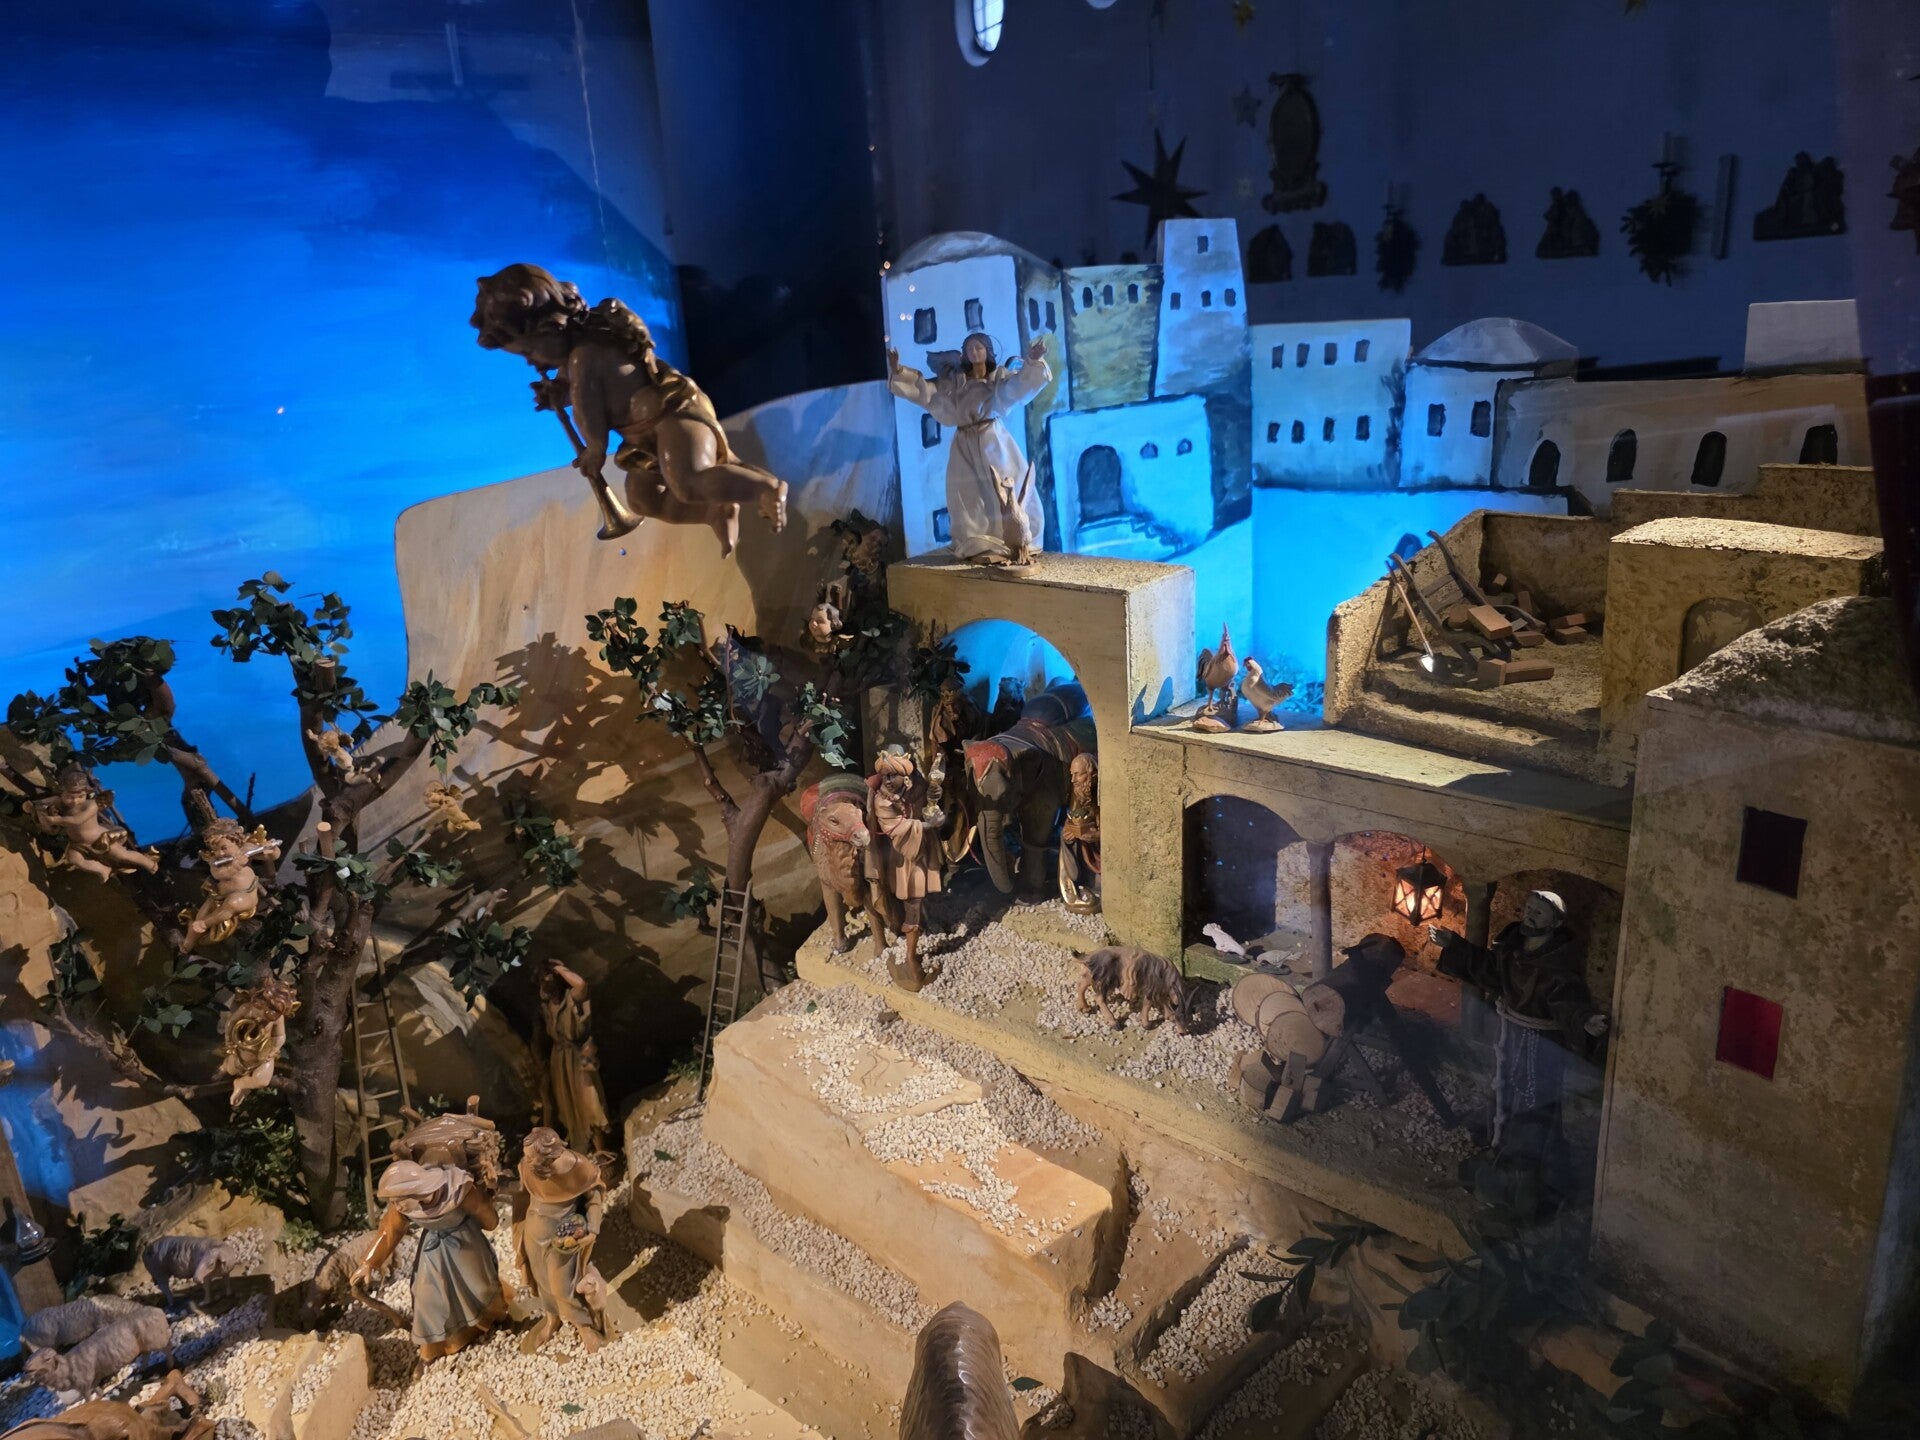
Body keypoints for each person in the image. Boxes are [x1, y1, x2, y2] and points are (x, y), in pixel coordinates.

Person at [472, 264, 787, 557]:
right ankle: (714, 510)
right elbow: (585, 390)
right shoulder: (580, 353)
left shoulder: (584, 357)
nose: (531, 362)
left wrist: (595, 449)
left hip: (670, 417)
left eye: (528, 350)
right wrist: (557, 393)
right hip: (644, 437)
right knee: (642, 498)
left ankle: (767, 489)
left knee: (688, 482)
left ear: (551, 328)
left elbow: (587, 409)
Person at [1430, 890, 1606, 1189]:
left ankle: (1528, 1168)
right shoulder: (1513, 947)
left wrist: (1585, 1020)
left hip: (1540, 1043)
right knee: (1504, 1087)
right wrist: (1454, 945)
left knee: (1534, 1098)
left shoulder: (1558, 964)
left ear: (1555, 923)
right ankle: (1501, 1149)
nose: (1529, 915)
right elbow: (1490, 969)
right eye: (1528, 908)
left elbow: (1568, 1001)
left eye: (1538, 913)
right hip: (1510, 1032)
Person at [887, 333, 1050, 565]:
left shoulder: (997, 379)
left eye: (979, 348)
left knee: (1004, 488)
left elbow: (1018, 386)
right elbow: (928, 392)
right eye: (970, 349)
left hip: (993, 440)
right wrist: (898, 370)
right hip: (964, 444)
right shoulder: (956, 383)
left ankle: (1015, 539)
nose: (974, 352)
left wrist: (1033, 360)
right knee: (968, 495)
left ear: (988, 351)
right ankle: (978, 542)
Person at [354, 1159, 507, 1364]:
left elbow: (485, 1214)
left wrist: (490, 1218)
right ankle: (434, 1347)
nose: (396, 1206)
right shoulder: (403, 1206)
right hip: (433, 1250)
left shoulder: (458, 1189)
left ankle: (493, 1318)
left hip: (466, 1244)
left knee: (480, 1287)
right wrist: (369, 1263)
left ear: (414, 1190)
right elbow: (389, 1231)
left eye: (398, 1200)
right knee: (425, 1295)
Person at [513, 1128, 609, 1355]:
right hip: (534, 1232)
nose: (527, 1162)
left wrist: (592, 1228)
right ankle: (552, 1318)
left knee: (562, 1285)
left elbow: (593, 1198)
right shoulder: (527, 1167)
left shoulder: (578, 1167)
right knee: (542, 1280)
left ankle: (584, 1325)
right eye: (526, 1156)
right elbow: (521, 1194)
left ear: (549, 1157)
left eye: (531, 1157)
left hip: (563, 1236)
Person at [865, 746, 945, 992]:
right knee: (911, 902)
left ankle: (913, 945)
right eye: (885, 775)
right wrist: (929, 825)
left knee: (916, 902)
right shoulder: (881, 800)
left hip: (919, 853)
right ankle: (911, 958)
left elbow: (927, 801)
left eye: (893, 775)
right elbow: (897, 828)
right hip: (900, 860)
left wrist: (933, 799)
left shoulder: (915, 787)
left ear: (906, 776)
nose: (887, 780)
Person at [536, 960, 612, 1156]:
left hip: (583, 1053)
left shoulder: (572, 998)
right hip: (559, 1060)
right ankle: (582, 1149)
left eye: (549, 980)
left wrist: (559, 968)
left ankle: (601, 1150)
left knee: (591, 1098)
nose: (545, 985)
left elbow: (581, 984)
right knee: (568, 1105)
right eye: (542, 981)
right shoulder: (546, 1009)